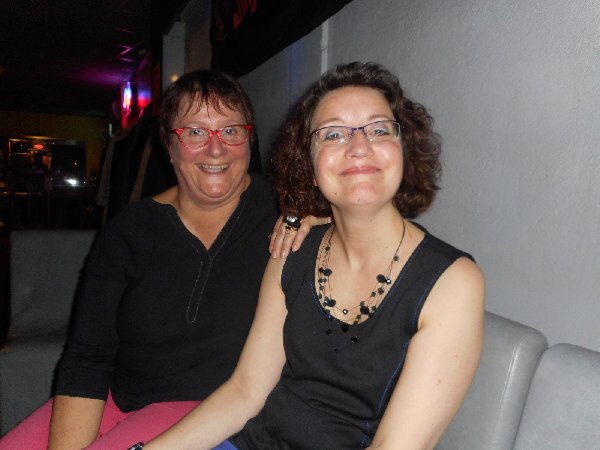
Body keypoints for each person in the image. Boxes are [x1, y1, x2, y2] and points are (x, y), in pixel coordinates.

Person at [138, 61, 486, 450]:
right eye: (333, 134)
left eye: (378, 129)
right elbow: (245, 392)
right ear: (309, 163)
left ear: (404, 148)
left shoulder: (452, 283)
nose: (359, 147)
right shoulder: (293, 249)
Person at [0, 70, 324, 450]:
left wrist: (317, 219)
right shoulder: (128, 230)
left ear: (249, 139)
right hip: (119, 399)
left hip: (213, 411)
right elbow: (87, 358)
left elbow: (358, 219)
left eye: (231, 130)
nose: (216, 149)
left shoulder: (286, 211)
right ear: (169, 146)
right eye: (195, 132)